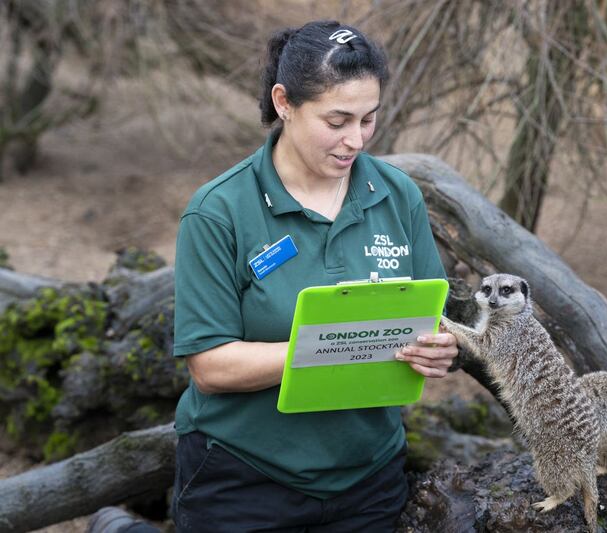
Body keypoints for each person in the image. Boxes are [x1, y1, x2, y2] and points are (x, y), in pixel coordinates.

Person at [170, 20, 458, 532]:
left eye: (369, 119)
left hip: (369, 477)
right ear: (284, 103)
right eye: (337, 120)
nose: (356, 140)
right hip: (244, 479)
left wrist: (440, 349)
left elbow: (430, 317)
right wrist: (335, 345)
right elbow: (209, 366)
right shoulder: (219, 211)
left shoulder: (398, 196)